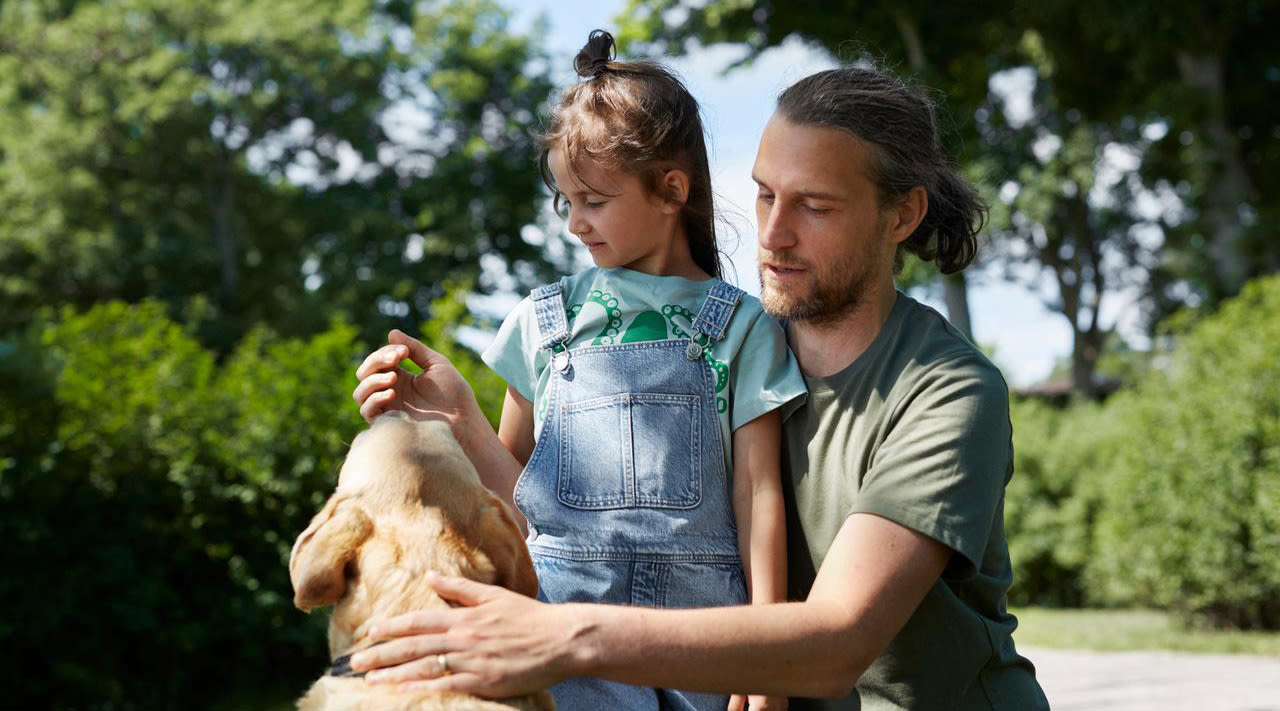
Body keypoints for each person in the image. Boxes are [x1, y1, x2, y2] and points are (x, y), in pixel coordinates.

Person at [350, 60, 1050, 710]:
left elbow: (836, 641)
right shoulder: (725, 341)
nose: (772, 234)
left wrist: (562, 636)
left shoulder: (948, 393)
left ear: (902, 215)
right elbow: (547, 519)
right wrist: (458, 418)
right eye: (766, 193)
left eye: (815, 206)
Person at [355, 30, 806, 711]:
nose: (574, 225)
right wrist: (456, 419)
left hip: (702, 647)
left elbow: (759, 496)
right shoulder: (542, 325)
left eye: (593, 200)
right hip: (559, 643)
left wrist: (767, 652)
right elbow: (519, 513)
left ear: (670, 190)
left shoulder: (741, 326)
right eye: (566, 202)